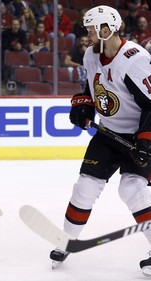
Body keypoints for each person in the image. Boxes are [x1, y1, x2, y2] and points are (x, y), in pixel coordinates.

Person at [49, 6, 151, 276]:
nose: (88, 34)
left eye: (93, 29)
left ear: (107, 29)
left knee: (131, 188)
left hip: (139, 134)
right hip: (108, 134)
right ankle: (67, 240)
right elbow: (93, 89)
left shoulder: (134, 59)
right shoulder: (91, 54)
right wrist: (83, 107)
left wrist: (145, 143)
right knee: (85, 186)